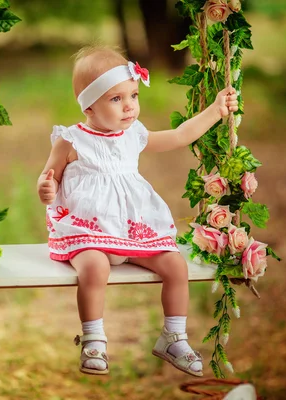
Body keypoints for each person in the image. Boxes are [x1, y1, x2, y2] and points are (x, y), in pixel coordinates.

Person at [36, 45, 238, 376]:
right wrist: (46, 190)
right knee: (94, 269)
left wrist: (216, 111)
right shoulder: (71, 140)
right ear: (89, 106)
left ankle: (173, 336)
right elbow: (49, 179)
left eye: (133, 95)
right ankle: (94, 339)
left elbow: (179, 135)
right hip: (90, 232)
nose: (129, 106)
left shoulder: (135, 134)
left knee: (175, 265)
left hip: (133, 229)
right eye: (116, 99)